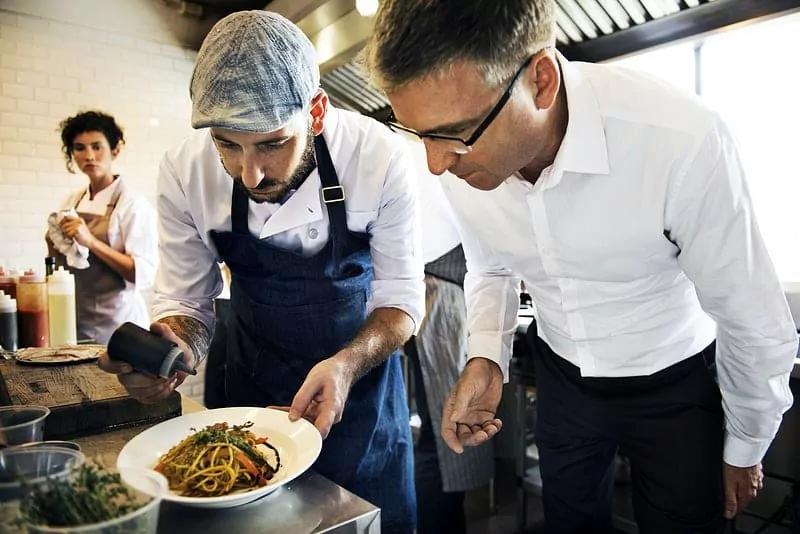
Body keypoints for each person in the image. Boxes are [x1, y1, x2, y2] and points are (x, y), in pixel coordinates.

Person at [364, 1, 800, 533]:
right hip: (563, 380)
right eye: (418, 134)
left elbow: (751, 316)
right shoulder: (456, 159)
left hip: (676, 383)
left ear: (541, 81)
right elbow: (492, 265)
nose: (435, 164)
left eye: (455, 133)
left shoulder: (678, 140)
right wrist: (487, 355)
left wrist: (747, 443)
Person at [99, 11, 424, 533]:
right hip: (254, 401)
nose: (250, 173)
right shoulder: (184, 172)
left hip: (361, 401)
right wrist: (176, 351)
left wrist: (344, 365)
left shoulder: (377, 157)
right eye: (227, 144)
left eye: (271, 143)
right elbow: (187, 303)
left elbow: (402, 300)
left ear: (315, 112)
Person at [406, 142, 494, 533]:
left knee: (438, 439)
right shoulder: (433, 166)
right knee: (437, 445)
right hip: (435, 305)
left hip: (437, 303)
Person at [47, 110, 157, 345]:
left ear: (115, 150)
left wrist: (91, 242)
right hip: (76, 320)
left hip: (120, 324)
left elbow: (142, 273)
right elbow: (60, 267)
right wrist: (52, 244)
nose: (89, 155)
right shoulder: (71, 202)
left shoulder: (133, 204)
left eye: (97, 147)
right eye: (79, 148)